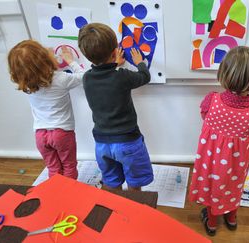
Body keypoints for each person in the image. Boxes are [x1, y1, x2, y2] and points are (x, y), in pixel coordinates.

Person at [188, 46, 249, 236]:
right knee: (234, 187)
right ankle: (231, 218)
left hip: (210, 162)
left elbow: (204, 116)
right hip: (236, 165)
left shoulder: (211, 100)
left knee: (212, 187)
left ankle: (212, 223)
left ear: (223, 72)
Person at [78, 23, 153, 191]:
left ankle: (116, 211)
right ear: (114, 52)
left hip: (102, 143)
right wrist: (140, 62)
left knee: (111, 182)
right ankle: (134, 209)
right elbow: (144, 76)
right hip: (127, 141)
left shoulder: (87, 78)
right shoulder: (122, 76)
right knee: (135, 182)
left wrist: (114, 64)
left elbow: (105, 77)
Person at [8, 40, 84, 179]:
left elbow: (33, 68)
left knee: (54, 168)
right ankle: (69, 194)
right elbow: (83, 77)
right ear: (45, 59)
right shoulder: (61, 78)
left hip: (40, 135)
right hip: (61, 133)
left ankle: (55, 194)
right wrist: (70, 61)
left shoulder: (26, 85)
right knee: (69, 166)